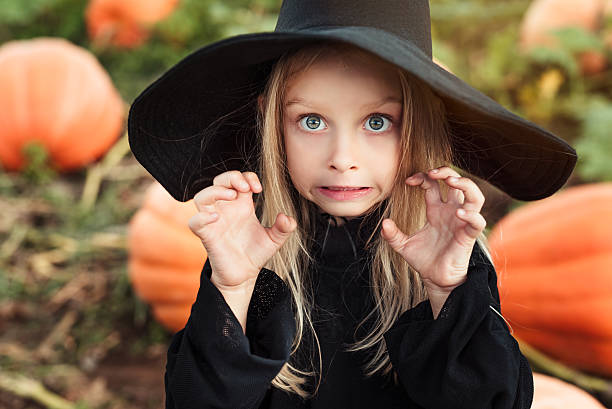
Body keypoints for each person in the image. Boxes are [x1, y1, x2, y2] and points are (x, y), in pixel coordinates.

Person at [127, 1, 577, 408]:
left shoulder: (450, 259)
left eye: (377, 122)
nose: (343, 159)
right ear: (271, 118)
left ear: (419, 127)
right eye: (312, 121)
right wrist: (233, 289)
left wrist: (447, 291)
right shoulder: (256, 254)